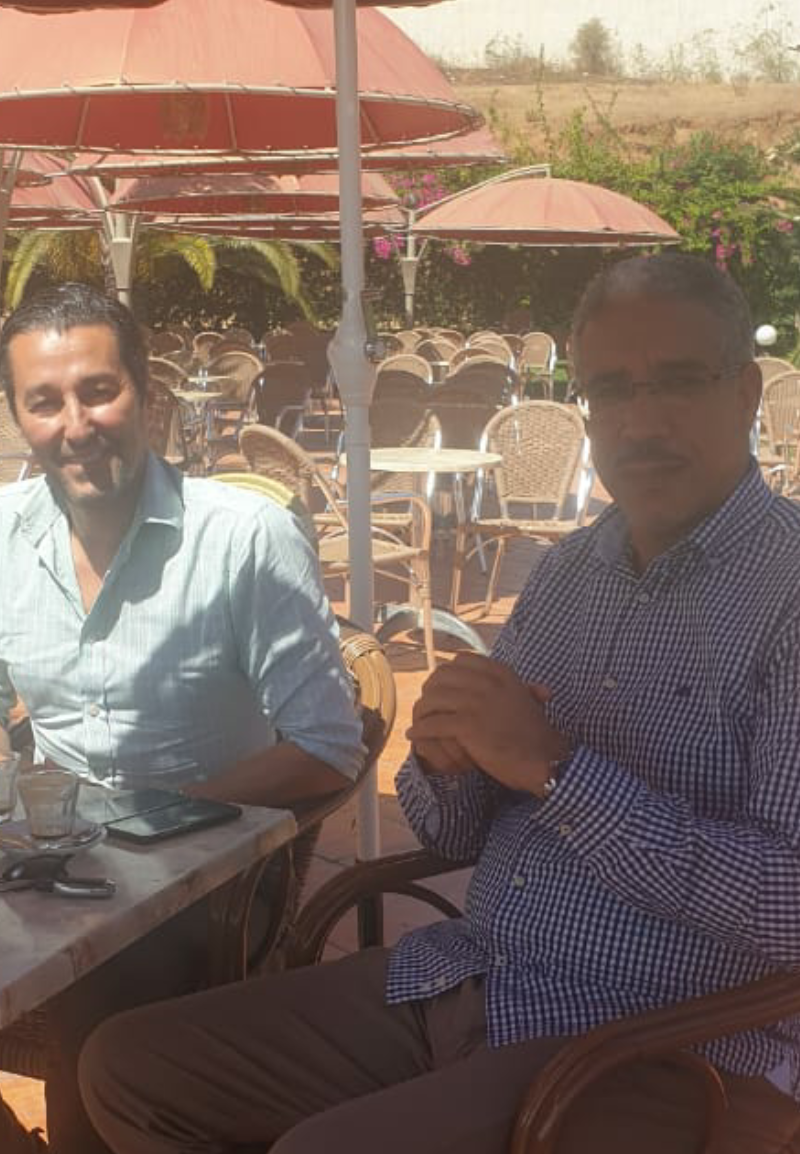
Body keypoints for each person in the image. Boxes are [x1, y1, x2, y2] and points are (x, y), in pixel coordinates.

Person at [79, 254, 800, 1154]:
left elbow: (788, 907)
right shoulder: (569, 572)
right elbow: (450, 831)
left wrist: (556, 771)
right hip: (469, 974)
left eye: (679, 381)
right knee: (130, 1068)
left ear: (744, 392)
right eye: (611, 389)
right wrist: (443, 757)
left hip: (660, 1045)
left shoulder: (786, 593)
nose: (641, 420)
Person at [0, 284, 364, 1153]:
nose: (75, 425)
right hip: (44, 867)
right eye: (44, 402)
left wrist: (148, 820)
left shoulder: (243, 537)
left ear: (148, 397)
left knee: (98, 998)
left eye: (99, 391)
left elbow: (327, 747)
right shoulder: (4, 536)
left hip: (208, 880)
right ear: (17, 417)